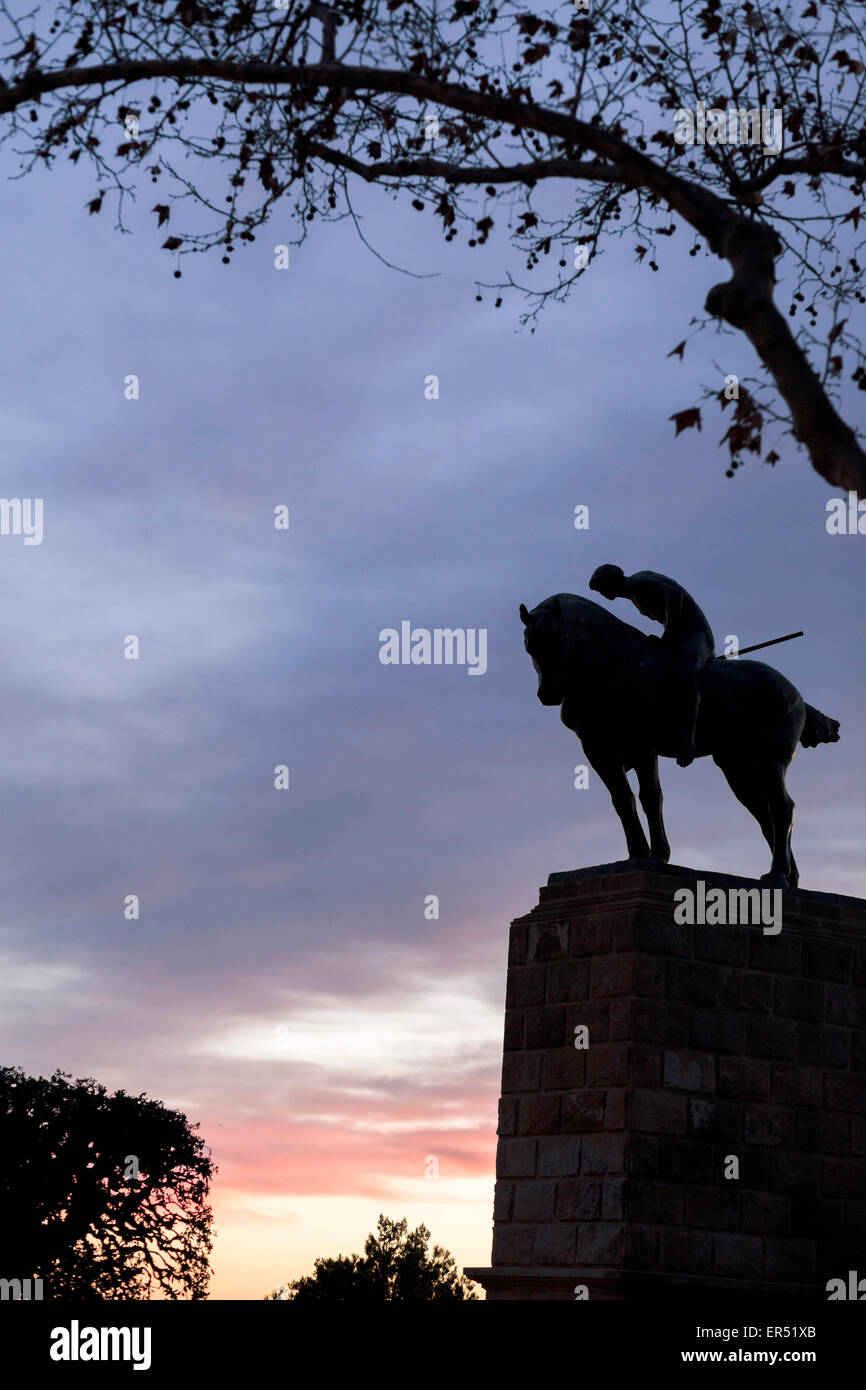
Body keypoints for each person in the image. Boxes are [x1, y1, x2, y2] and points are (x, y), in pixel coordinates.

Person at [589, 565, 715, 767]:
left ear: (612, 581)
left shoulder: (639, 582)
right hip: (679, 640)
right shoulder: (633, 594)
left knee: (685, 673)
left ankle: (688, 740)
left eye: (602, 588)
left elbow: (674, 596)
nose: (602, 594)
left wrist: (669, 635)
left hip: (696, 637)